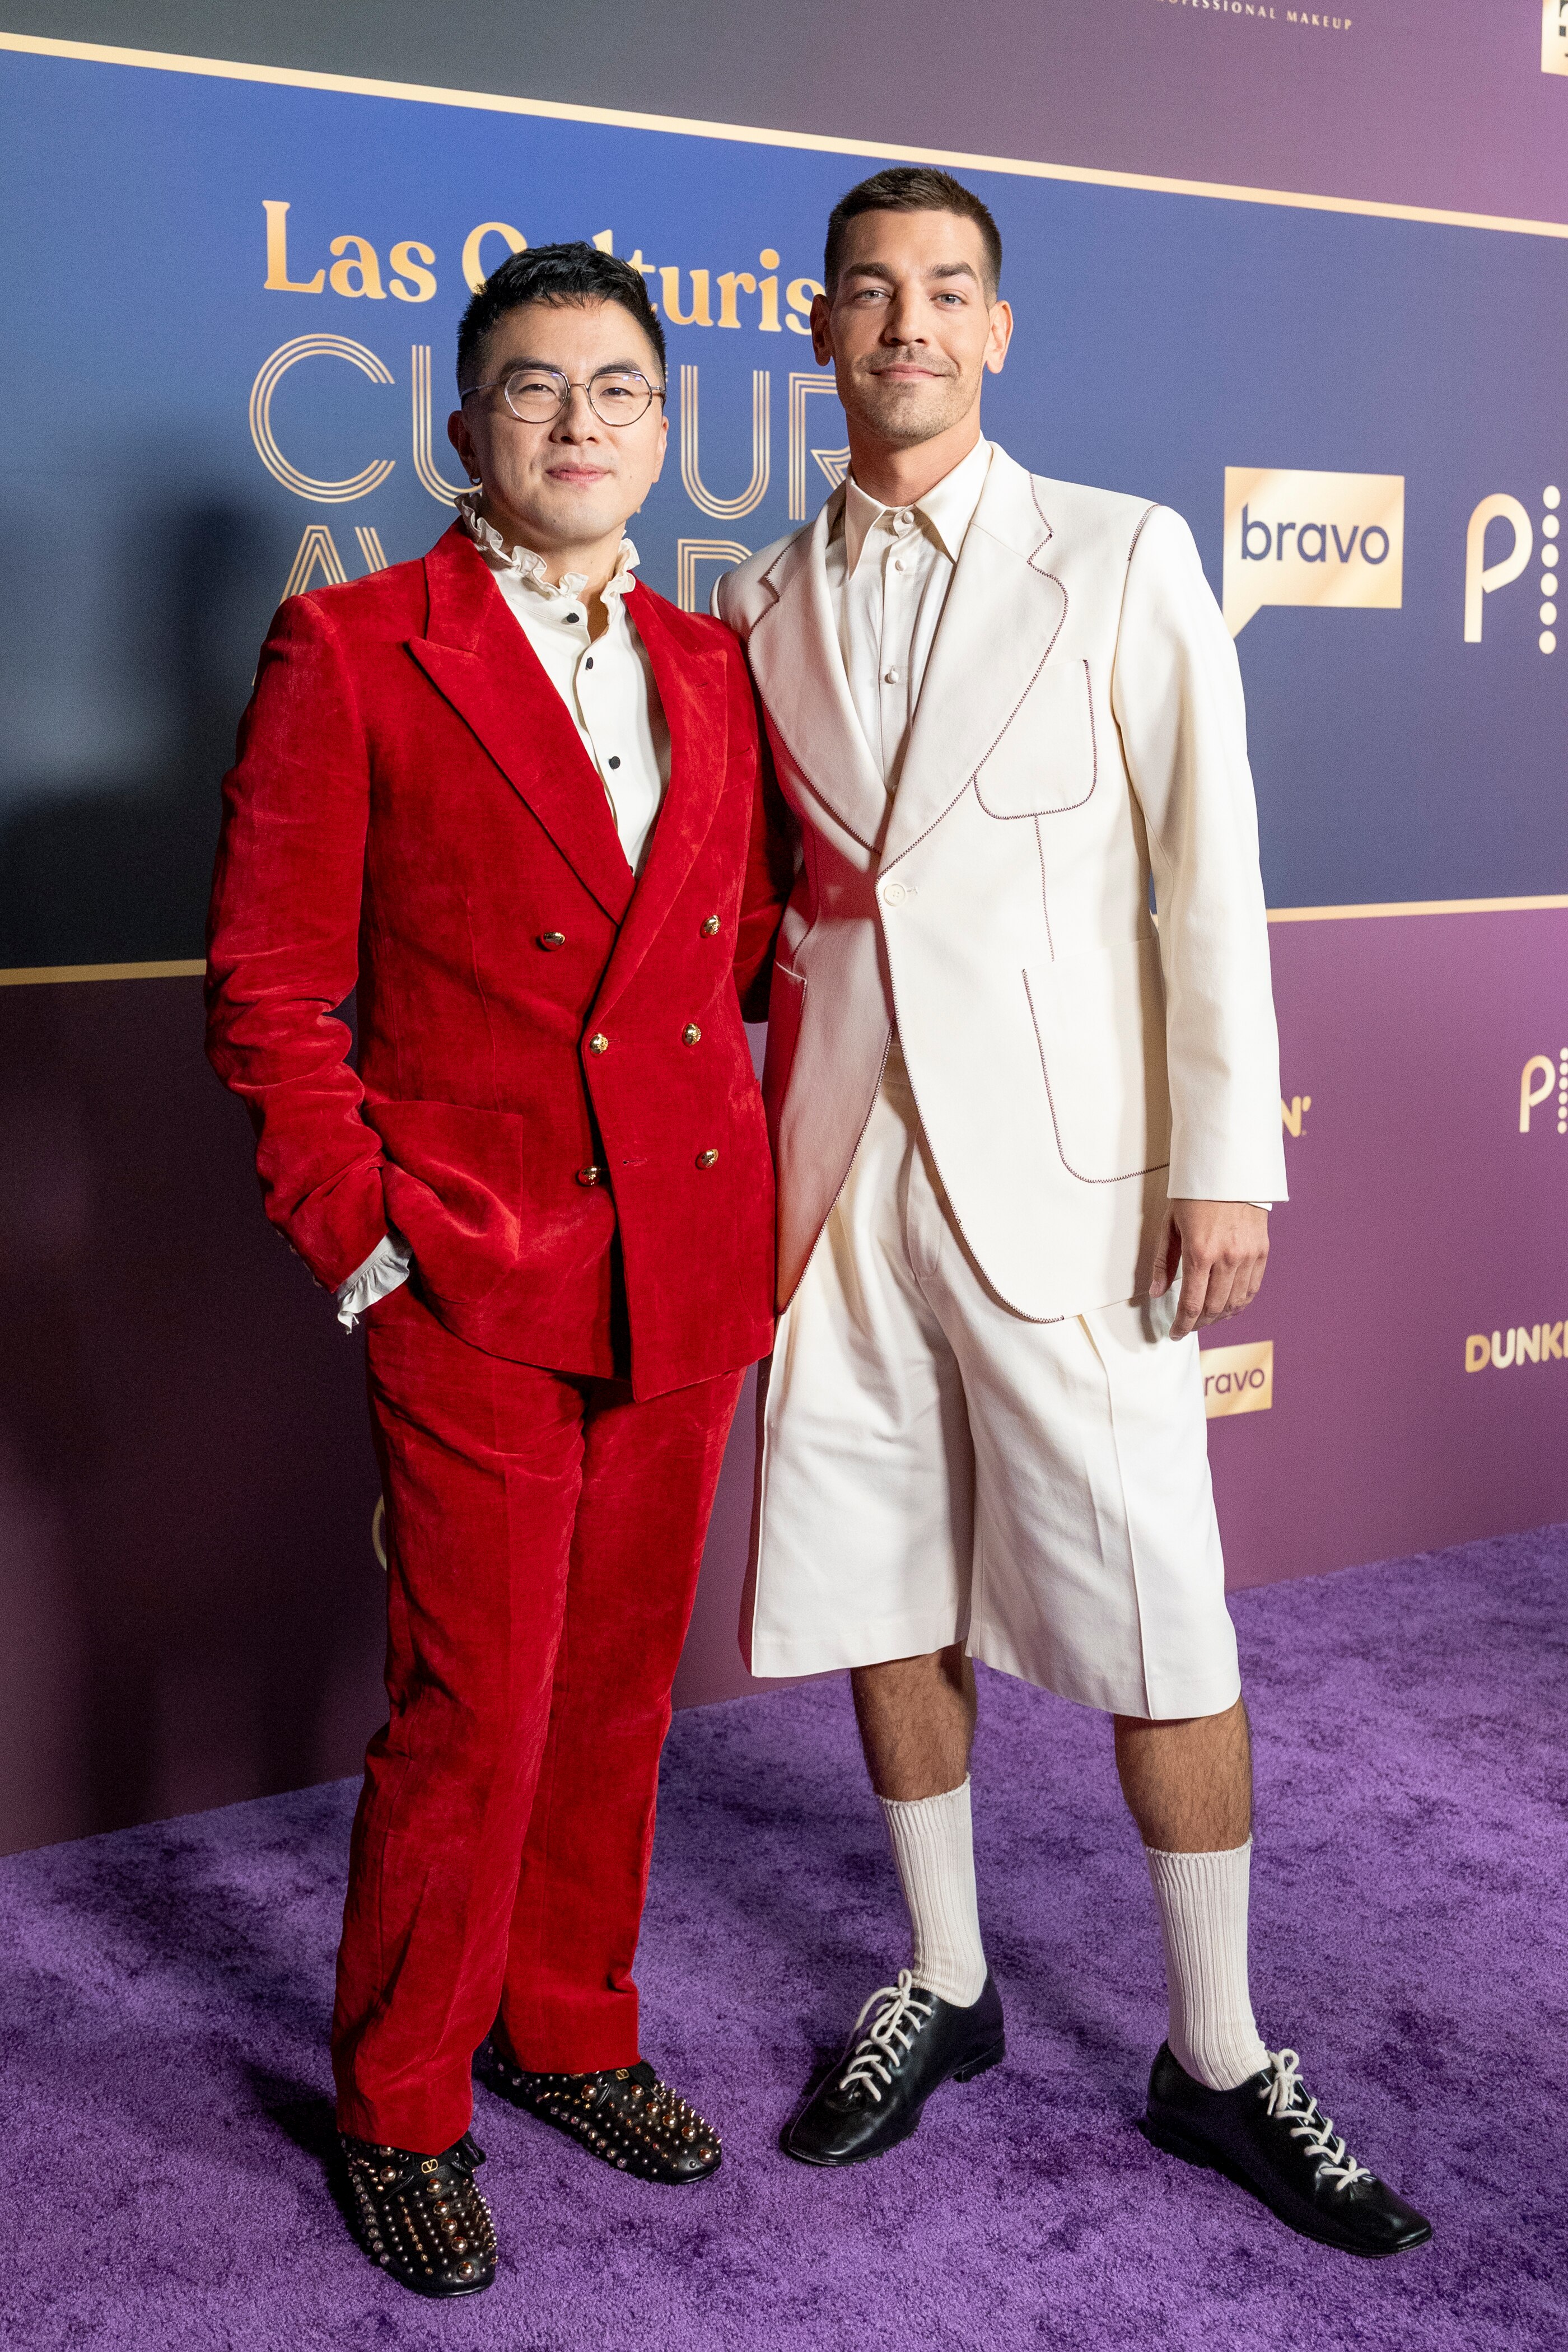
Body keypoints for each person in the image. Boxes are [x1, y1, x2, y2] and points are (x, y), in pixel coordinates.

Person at [716, 169, 1430, 2258]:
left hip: (1077, 1186)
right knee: (878, 1586)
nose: (909, 325)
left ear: (997, 330)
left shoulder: (1121, 555)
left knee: (1160, 1623)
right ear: (821, 330)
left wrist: (1229, 1155)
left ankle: (1218, 2049)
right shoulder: (757, 596)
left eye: (948, 291)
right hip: (834, 1182)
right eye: (871, 292)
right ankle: (945, 1981)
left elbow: (1211, 862)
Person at [208, 243, 786, 2298]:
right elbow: (270, 990)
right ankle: (401, 2103)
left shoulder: (716, 665)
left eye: (617, 389)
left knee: (620, 1694)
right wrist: (367, 1242)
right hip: (471, 1265)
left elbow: (734, 958)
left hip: (684, 1260)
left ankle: (570, 2032)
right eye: (534, 388)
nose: (577, 422)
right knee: (477, 1707)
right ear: (466, 428)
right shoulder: (355, 646)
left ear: (666, 429)